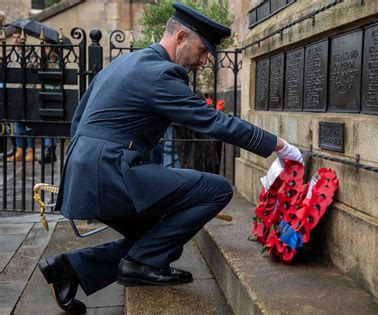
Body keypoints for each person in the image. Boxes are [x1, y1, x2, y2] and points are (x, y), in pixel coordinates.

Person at [36, 3, 303, 314]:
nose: (204, 61)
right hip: (110, 173)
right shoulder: (161, 74)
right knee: (217, 189)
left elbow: (79, 119)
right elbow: (213, 121)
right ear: (181, 36)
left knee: (162, 241)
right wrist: (279, 145)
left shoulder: (126, 62)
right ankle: (137, 264)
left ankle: (70, 268)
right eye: (203, 50)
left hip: (88, 174)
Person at [7, 29, 34, 162]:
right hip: (14, 92)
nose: (16, 39)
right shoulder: (9, 53)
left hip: (28, 92)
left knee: (29, 123)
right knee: (16, 122)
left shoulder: (30, 52)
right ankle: (19, 150)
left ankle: (30, 150)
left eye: (19, 37)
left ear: (24, 38)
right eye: (14, 37)